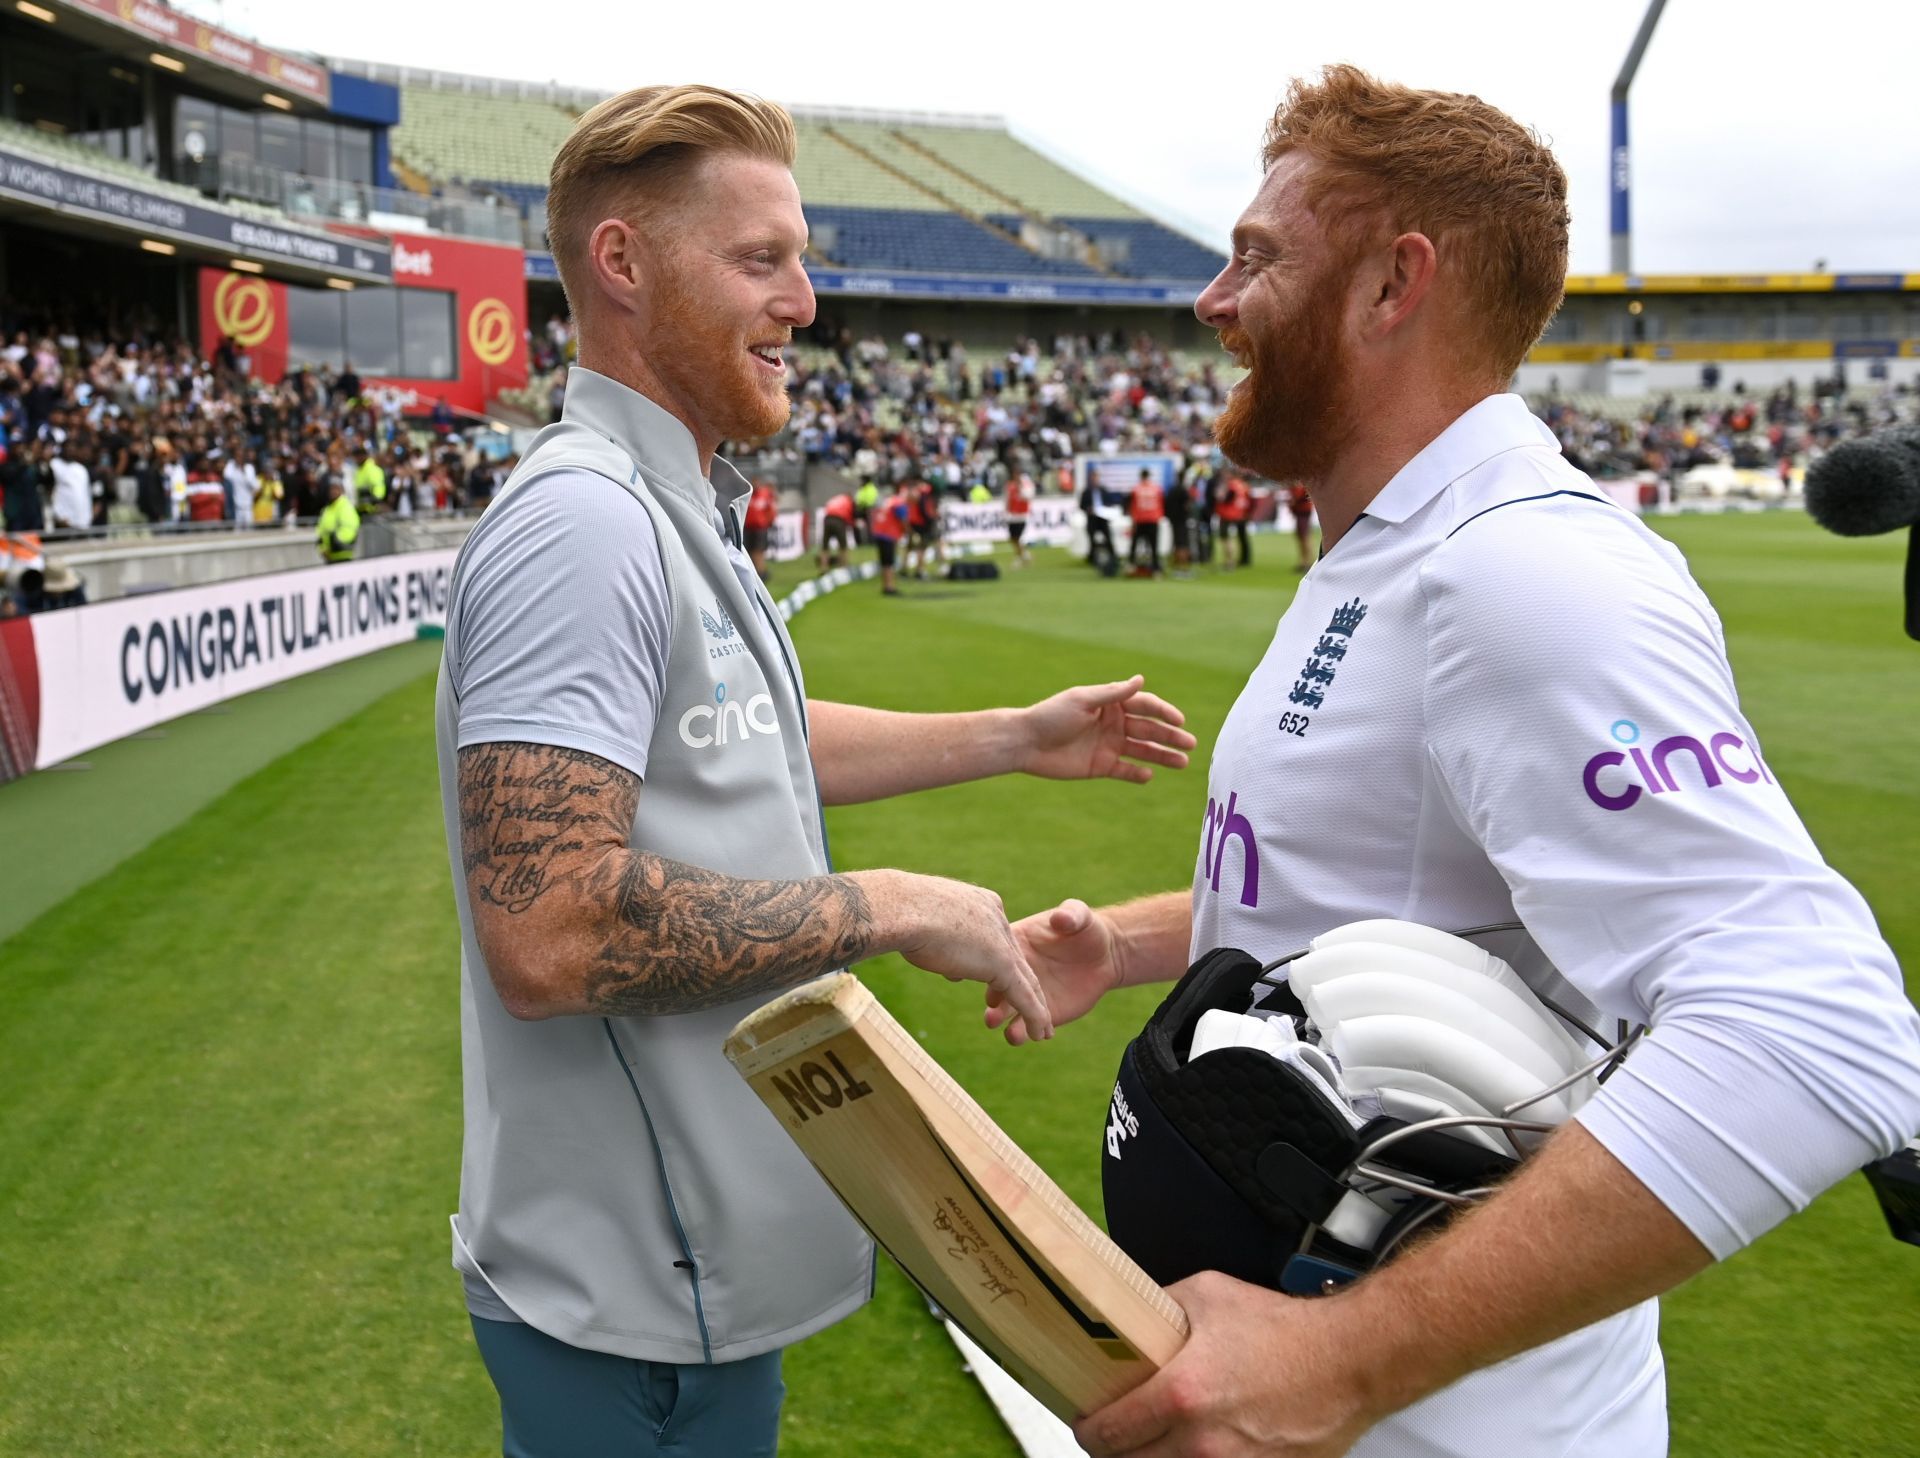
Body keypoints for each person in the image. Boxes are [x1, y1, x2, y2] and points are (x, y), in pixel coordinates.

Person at [987, 65, 1920, 1458]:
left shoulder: (1523, 566)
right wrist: (1124, 944)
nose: (1213, 302)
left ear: (1389, 285)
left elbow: (1816, 1026)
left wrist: (1343, 1362)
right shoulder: (1390, 546)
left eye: (1257, 257)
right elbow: (1416, 895)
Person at [432, 83, 1198, 1458]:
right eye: (760, 260)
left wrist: (1016, 735)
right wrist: (894, 904)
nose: (805, 302)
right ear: (624, 265)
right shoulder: (587, 525)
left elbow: (740, 739)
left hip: (693, 1287)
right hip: (630, 1308)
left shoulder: (669, 503)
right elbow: (549, 924)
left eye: (803, 259)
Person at [870, 481, 909, 596]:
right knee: (889, 562)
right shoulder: (898, 502)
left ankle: (886, 585)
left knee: (885, 562)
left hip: (879, 532)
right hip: (888, 534)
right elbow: (903, 519)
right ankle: (889, 586)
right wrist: (907, 531)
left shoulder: (887, 501)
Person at [1126, 467, 1164, 575]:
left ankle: (1131, 565)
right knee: (1153, 546)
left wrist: (1133, 519)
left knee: (1134, 544)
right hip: (1153, 519)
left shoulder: (1136, 488)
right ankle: (1156, 569)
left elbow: (1132, 505)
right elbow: (1160, 503)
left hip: (1139, 520)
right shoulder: (1156, 488)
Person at [315, 477, 359, 563]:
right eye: (331, 489)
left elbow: (349, 530)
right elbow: (320, 531)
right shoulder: (326, 510)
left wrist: (333, 543)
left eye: (336, 488)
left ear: (342, 490)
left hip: (343, 556)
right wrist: (322, 548)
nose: (333, 492)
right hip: (329, 557)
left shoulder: (346, 507)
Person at [743, 477, 779, 580]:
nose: (755, 484)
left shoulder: (765, 495)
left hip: (760, 529)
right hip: (748, 528)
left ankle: (761, 573)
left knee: (758, 551)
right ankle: (756, 573)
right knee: (749, 552)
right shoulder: (747, 494)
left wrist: (768, 522)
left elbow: (771, 509)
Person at [1215, 469, 1251, 568]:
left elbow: (1226, 499)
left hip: (1227, 514)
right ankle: (1244, 559)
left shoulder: (1231, 485)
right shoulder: (1243, 485)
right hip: (1240, 514)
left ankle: (1230, 561)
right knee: (1240, 537)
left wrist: (1219, 496)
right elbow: (1249, 500)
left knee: (1226, 538)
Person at [817, 489, 855, 571]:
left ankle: (823, 567)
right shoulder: (848, 501)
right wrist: (851, 524)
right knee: (843, 545)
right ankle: (843, 565)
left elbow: (827, 508)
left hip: (827, 519)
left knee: (825, 546)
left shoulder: (835, 499)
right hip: (839, 520)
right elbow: (850, 514)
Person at [1005, 468, 1034, 567]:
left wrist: (1020, 488)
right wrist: (1006, 512)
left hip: (1021, 516)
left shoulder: (1026, 486)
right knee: (1012, 538)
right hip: (1012, 516)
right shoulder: (1010, 486)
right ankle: (1024, 555)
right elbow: (1007, 499)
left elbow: (1027, 497)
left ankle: (1020, 557)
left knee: (1017, 537)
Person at [1286, 481, 1315, 571]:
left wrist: (1292, 503)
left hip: (1303, 512)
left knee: (1304, 537)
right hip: (1301, 512)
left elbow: (1297, 497)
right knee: (1301, 537)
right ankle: (1304, 561)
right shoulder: (1298, 485)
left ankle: (1308, 562)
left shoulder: (1300, 485)